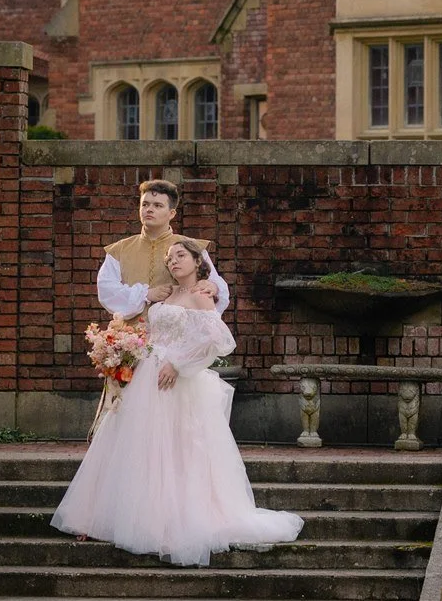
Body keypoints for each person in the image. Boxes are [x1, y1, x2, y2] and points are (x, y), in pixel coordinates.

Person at [52, 240, 303, 565]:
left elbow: (218, 341)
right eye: (169, 258)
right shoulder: (167, 294)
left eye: (180, 256)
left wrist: (180, 364)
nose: (173, 262)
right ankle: (123, 517)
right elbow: (151, 329)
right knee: (138, 447)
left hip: (177, 383)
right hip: (147, 377)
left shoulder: (202, 295)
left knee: (177, 450)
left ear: (199, 261)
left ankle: (174, 522)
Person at [97, 178, 230, 318]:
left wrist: (213, 287)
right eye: (145, 204)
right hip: (131, 335)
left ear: (171, 213)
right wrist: (146, 294)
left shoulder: (191, 247)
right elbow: (107, 291)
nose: (149, 209)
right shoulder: (119, 249)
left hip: (176, 334)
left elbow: (215, 285)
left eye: (158, 205)